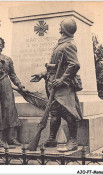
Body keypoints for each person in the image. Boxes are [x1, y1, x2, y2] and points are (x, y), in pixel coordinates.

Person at [31, 19, 83, 151]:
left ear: (64, 29)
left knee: (68, 112)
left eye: (61, 25)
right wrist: (42, 74)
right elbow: (54, 67)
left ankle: (73, 141)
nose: (59, 27)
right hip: (53, 83)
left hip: (62, 86)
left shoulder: (68, 45)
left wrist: (62, 80)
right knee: (54, 112)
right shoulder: (60, 44)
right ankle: (52, 139)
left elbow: (74, 64)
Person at [0, 37, 25, 146]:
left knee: (10, 109)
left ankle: (12, 137)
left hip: (6, 85)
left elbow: (13, 75)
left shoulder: (8, 59)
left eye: (1, 42)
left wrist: (19, 84)